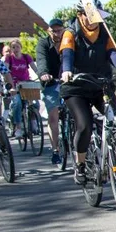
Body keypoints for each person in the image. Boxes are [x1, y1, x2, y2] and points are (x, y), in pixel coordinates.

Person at [60, 0, 116, 186]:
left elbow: (113, 54)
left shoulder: (104, 32)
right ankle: (80, 165)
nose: (93, 20)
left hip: (100, 84)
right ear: (81, 15)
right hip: (76, 86)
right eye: (89, 16)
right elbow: (67, 54)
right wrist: (66, 70)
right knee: (85, 125)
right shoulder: (70, 32)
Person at [34, 18, 66, 166]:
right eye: (54, 30)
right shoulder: (43, 43)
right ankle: (55, 150)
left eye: (59, 30)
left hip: (68, 81)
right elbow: (41, 60)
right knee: (53, 116)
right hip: (51, 83)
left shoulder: (69, 41)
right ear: (49, 31)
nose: (57, 33)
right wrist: (44, 73)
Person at [3, 38, 34, 138]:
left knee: (33, 103)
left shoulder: (26, 57)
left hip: (26, 83)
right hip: (14, 85)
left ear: (21, 47)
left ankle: (34, 122)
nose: (15, 49)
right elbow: (5, 70)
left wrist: (41, 75)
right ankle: (18, 127)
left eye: (17, 47)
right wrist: (8, 84)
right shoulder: (9, 58)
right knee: (17, 104)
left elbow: (35, 68)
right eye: (13, 47)